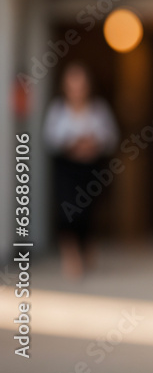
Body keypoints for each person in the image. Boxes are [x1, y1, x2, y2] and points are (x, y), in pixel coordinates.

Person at [43, 61, 119, 279]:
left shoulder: (98, 109)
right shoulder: (58, 110)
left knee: (87, 212)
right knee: (67, 211)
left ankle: (86, 249)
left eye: (81, 84)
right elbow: (50, 138)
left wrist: (92, 144)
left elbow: (110, 137)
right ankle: (71, 257)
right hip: (67, 169)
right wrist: (72, 144)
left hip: (90, 169)